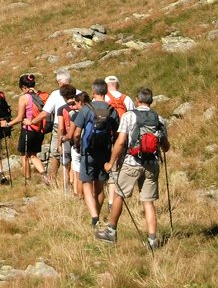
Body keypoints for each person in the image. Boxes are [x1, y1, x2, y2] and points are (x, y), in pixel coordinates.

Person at [98, 88, 170, 249]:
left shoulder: (129, 116)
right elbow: (166, 147)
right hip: (152, 164)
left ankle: (111, 231)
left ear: (137, 100)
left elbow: (121, 141)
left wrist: (111, 162)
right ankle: (152, 240)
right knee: (148, 202)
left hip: (132, 162)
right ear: (151, 101)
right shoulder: (158, 118)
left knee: (119, 195)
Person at [70, 79, 121, 232]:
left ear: (93, 92)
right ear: (105, 92)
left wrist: (78, 146)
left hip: (88, 151)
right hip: (104, 152)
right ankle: (97, 213)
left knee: (86, 184)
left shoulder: (87, 109)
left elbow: (77, 133)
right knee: (100, 186)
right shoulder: (111, 110)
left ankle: (94, 218)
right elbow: (117, 133)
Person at [30, 71, 79, 189]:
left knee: (55, 153)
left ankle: (52, 179)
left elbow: (45, 113)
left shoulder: (56, 94)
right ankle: (73, 182)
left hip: (60, 127)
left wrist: (32, 121)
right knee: (74, 153)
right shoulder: (79, 93)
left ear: (59, 82)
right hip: (77, 126)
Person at [9, 74, 48, 185]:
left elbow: (20, 118)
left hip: (28, 129)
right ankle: (45, 176)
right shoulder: (41, 95)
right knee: (33, 155)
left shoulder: (24, 98)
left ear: (23, 87)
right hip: (40, 129)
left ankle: (28, 180)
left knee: (24, 155)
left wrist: (8, 124)